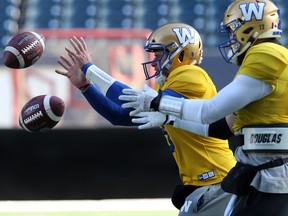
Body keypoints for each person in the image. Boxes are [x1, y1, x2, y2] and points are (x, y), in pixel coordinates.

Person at [119, 1, 288, 215]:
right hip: (262, 172)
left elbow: (209, 111)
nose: (231, 37)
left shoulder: (265, 54)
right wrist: (169, 120)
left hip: (271, 175)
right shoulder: (266, 61)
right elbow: (220, 128)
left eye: (232, 29)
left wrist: (158, 102)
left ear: (250, 26)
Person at [55, 22, 236, 215]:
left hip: (216, 180)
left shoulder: (192, 74)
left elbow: (136, 100)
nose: (155, 60)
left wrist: (90, 69)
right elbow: (120, 114)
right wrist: (86, 87)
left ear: (181, 53)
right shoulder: (165, 86)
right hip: (205, 181)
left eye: (160, 54)